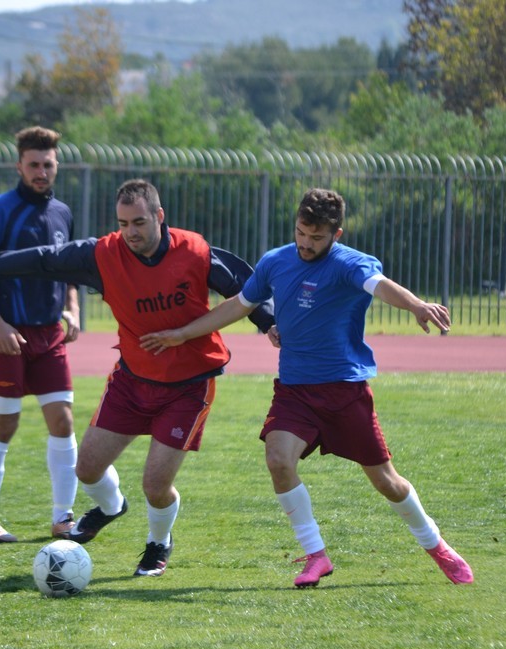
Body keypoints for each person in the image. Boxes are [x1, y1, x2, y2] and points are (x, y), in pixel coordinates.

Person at [140, 187, 474, 588]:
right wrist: (182, 334)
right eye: (301, 232)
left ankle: (436, 545)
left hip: (345, 391)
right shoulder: (275, 261)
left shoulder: (349, 263)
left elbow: (380, 285)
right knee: (278, 460)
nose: (306, 243)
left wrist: (417, 305)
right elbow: (238, 305)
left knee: (387, 481)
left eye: (317, 237)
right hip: (295, 391)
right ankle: (316, 555)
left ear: (337, 234)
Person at [0, 178, 275, 576]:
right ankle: (111, 506)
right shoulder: (102, 255)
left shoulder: (194, 250)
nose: (130, 232)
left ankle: (158, 543)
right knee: (86, 468)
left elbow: (244, 285)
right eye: (123, 224)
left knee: (155, 485)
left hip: (188, 385)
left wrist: (269, 322)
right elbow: (44, 259)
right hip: (132, 380)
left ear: (159, 216)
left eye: (139, 222)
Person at [0, 125, 81, 544]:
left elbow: (69, 268)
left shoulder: (62, 212)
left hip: (49, 335)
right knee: (3, 424)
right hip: (6, 333)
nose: (41, 172)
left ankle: (64, 518)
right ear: (19, 166)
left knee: (63, 420)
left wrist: (72, 308)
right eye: (33, 165)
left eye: (48, 164)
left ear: (56, 165)